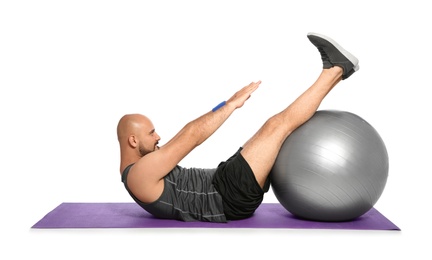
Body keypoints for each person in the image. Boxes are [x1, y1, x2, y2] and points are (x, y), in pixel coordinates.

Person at [117, 32, 359, 222]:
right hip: (226, 197)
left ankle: (337, 72)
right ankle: (335, 69)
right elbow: (191, 137)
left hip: (222, 181)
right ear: (133, 141)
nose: (158, 136)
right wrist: (230, 105)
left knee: (277, 126)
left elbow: (182, 135)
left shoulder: (140, 167)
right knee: (278, 125)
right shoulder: (139, 175)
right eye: (151, 133)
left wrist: (226, 104)